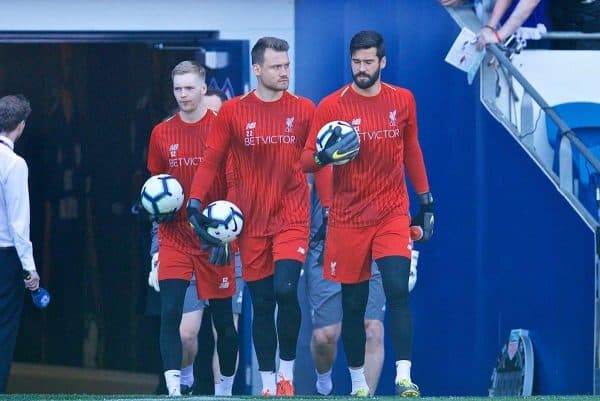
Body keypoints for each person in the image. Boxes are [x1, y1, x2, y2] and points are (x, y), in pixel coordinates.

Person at [301, 31, 434, 397]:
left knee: (396, 289)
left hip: (392, 212)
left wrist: (426, 202)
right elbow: (305, 161)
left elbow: (411, 150)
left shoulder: (402, 100)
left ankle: (404, 376)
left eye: (368, 62)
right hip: (348, 218)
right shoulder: (331, 105)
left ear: (383, 62)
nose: (362, 69)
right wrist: (324, 157)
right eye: (356, 62)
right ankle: (358, 383)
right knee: (354, 304)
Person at [188, 37, 315, 396]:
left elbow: (313, 161)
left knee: (286, 289)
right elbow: (211, 160)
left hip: (291, 215)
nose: (284, 72)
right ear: (257, 69)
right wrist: (195, 201)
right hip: (251, 222)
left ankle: (287, 374)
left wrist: (327, 166)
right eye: (276, 66)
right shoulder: (232, 112)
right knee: (262, 303)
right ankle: (268, 384)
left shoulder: (305, 108)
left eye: (287, 65)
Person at [144, 60, 239, 397]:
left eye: (189, 88)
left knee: (225, 324)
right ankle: (174, 390)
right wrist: (159, 216)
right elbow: (156, 183)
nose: (183, 95)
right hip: (175, 239)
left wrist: (226, 234)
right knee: (170, 314)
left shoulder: (223, 128)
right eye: (177, 89)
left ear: (203, 88)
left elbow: (235, 184)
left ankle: (225, 390)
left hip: (216, 239)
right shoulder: (161, 132)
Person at [305, 173, 386, 396]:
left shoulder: (381, 138)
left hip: (372, 239)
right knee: (324, 337)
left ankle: (364, 396)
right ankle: (323, 385)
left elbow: (394, 180)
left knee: (373, 330)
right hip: (328, 241)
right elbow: (304, 182)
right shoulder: (323, 137)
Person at [0, 94, 40, 393]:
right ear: (21, 126)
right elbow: (18, 223)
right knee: (4, 328)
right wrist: (30, 269)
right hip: (5, 255)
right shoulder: (14, 164)